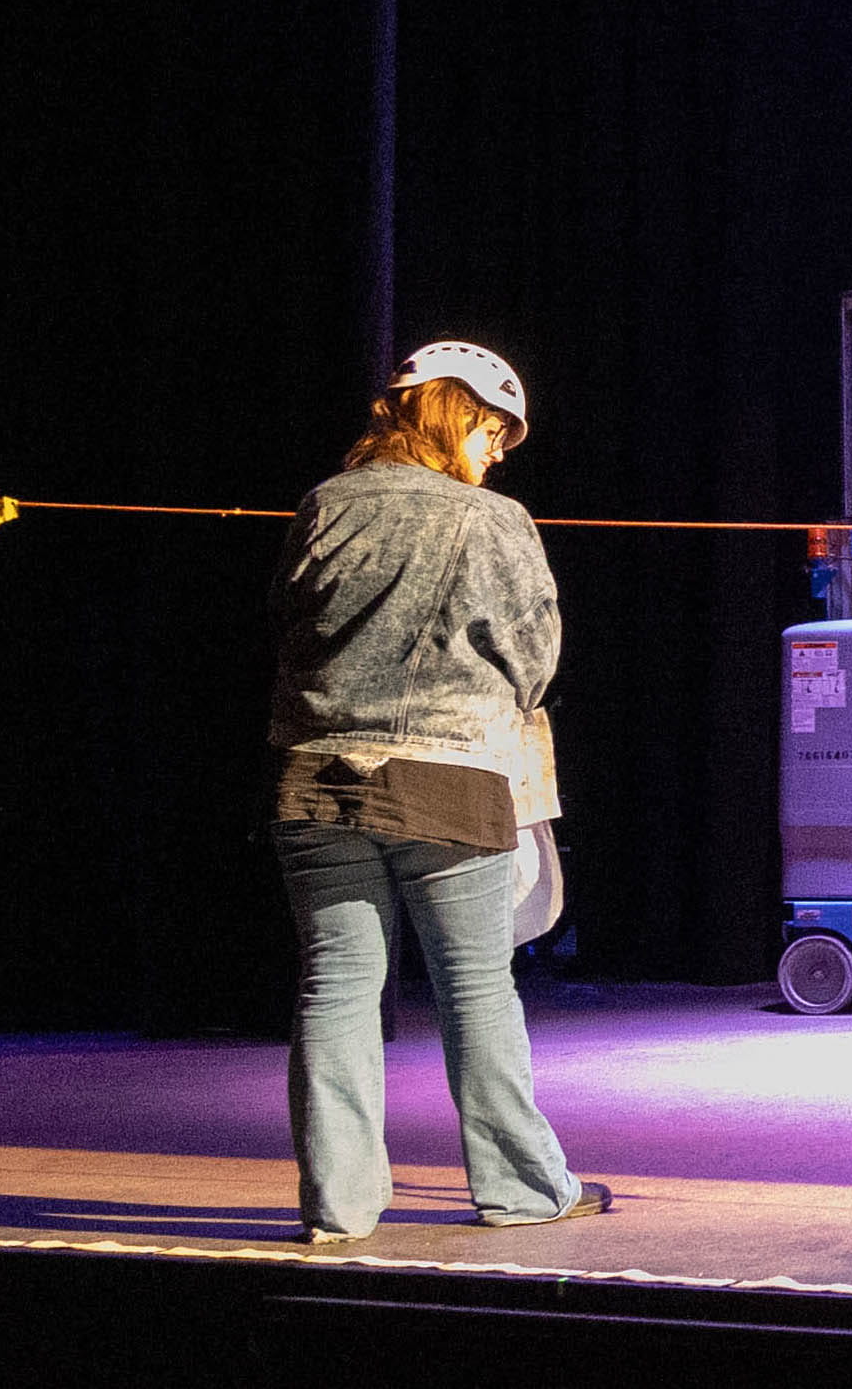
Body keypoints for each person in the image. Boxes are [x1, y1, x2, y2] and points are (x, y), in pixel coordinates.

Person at [267, 341, 607, 1245]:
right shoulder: (495, 520)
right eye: (494, 432)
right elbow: (536, 657)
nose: (498, 451)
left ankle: (336, 1206)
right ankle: (525, 1187)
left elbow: (291, 627)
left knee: (334, 989)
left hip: (317, 777)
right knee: (476, 990)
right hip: (450, 781)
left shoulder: (323, 505)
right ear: (458, 414)